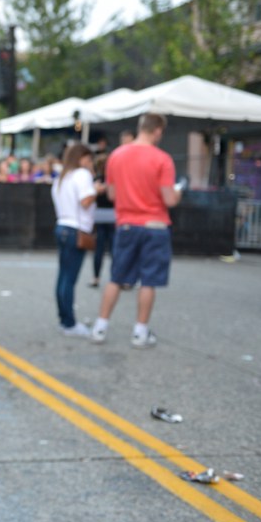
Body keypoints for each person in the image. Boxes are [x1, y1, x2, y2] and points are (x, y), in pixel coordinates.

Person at [91, 113, 184, 348]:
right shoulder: (163, 159)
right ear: (158, 131)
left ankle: (100, 327)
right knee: (149, 281)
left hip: (126, 224)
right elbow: (169, 199)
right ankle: (139, 332)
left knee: (116, 277)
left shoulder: (116, 155)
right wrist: (178, 192)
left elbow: (111, 194)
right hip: (155, 225)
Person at [50, 144, 102, 337]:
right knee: (69, 279)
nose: (90, 164)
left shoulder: (62, 177)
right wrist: (96, 190)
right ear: (81, 158)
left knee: (63, 277)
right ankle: (70, 323)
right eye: (88, 160)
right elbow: (85, 201)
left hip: (62, 226)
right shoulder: (82, 175)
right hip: (75, 229)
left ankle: (64, 320)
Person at [90, 153, 115, 288]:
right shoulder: (113, 180)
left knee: (99, 249)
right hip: (112, 215)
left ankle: (96, 277)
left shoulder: (96, 180)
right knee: (113, 248)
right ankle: (115, 278)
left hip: (99, 215)